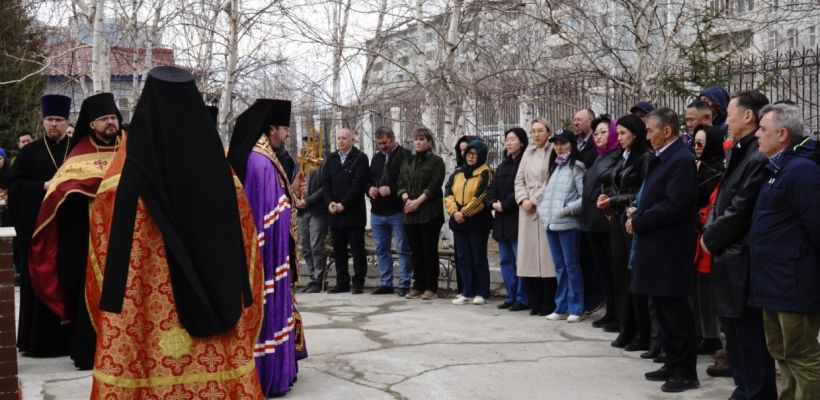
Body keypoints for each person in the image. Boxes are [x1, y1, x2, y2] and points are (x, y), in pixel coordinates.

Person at [85, 66, 264, 398]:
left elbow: (102, 234)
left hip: (144, 307)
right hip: (217, 299)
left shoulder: (122, 171)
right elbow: (245, 234)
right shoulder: (221, 169)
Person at [27, 92, 122, 370]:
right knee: (88, 289)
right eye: (104, 119)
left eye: (113, 118)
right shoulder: (79, 153)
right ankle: (88, 351)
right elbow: (62, 193)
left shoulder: (129, 148)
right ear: (91, 124)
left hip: (124, 236)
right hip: (88, 238)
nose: (110, 123)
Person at [701, 90, 777, 400]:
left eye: (730, 113)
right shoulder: (738, 151)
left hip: (742, 258)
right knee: (734, 335)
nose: (726, 120)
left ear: (748, 116)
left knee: (749, 336)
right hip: (728, 257)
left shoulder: (757, 157)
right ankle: (744, 389)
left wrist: (710, 237)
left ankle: (756, 392)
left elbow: (740, 208)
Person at [228, 98, 305, 397]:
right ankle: (269, 373)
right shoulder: (261, 161)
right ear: (271, 128)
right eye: (285, 129)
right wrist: (289, 204)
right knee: (268, 306)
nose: (286, 135)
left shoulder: (261, 155)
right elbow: (267, 215)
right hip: (268, 253)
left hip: (269, 250)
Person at [751, 104, 820, 400]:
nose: (757, 134)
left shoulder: (801, 171)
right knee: (781, 352)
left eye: (762, 130)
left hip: (794, 282)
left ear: (781, 134)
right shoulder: (778, 168)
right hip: (774, 280)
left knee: (801, 355)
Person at [628, 108, 699, 393]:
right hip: (655, 247)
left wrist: (640, 219)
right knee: (660, 307)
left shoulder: (680, 160)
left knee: (675, 311)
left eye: (650, 131)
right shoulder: (663, 157)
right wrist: (638, 211)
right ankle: (671, 362)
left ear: (666, 131)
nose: (647, 136)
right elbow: (653, 196)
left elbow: (674, 205)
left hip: (670, 249)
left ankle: (686, 371)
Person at [9, 94, 73, 357]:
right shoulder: (29, 152)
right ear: (42, 120)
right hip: (38, 232)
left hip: (69, 231)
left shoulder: (77, 150)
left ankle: (69, 341)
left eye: (59, 119)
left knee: (68, 282)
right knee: (37, 283)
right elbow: (14, 187)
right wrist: (42, 187)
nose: (54, 124)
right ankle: (37, 343)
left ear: (67, 120)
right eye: (50, 119)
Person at [596, 114, 651, 350]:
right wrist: (607, 198)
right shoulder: (623, 157)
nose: (618, 138)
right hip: (617, 220)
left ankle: (642, 332)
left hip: (631, 220)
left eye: (623, 134)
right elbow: (614, 183)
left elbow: (642, 191)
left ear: (635, 134)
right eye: (617, 134)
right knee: (619, 275)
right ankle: (626, 328)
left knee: (634, 277)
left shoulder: (644, 157)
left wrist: (614, 200)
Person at [539, 129, 586, 322]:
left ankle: (576, 308)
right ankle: (561, 306)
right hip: (552, 225)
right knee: (560, 267)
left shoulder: (577, 167)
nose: (559, 147)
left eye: (563, 143)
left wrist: (566, 210)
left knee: (572, 266)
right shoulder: (555, 167)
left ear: (572, 144)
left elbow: (585, 198)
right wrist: (544, 212)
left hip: (569, 224)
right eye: (556, 144)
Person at [514, 118, 556, 316]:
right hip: (526, 210)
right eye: (533, 131)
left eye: (540, 130)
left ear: (548, 131)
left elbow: (551, 180)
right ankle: (534, 301)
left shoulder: (553, 150)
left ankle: (549, 302)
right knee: (529, 257)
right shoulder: (527, 153)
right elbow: (519, 179)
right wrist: (523, 200)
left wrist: (535, 199)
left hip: (544, 206)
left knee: (546, 259)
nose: (536, 134)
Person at [397, 128, 445, 300]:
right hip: (410, 212)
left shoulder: (436, 162)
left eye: (422, 139)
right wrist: (406, 199)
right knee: (415, 251)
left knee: (428, 251)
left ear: (429, 142)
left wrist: (417, 202)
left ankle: (431, 287)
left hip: (429, 213)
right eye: (416, 139)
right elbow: (401, 182)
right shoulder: (408, 161)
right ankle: (418, 285)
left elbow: (434, 186)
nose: (417, 142)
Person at [584, 115, 621, 332]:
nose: (598, 136)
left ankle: (618, 314)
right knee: (604, 271)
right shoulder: (600, 157)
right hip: (593, 221)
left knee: (614, 270)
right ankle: (610, 311)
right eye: (596, 133)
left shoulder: (617, 156)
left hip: (606, 221)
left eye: (604, 132)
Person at [691, 125, 725, 357]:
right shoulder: (695, 166)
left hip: (706, 233)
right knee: (697, 291)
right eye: (695, 143)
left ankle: (712, 336)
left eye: (701, 143)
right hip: (693, 233)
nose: (697, 147)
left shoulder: (717, 170)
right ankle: (704, 333)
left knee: (709, 291)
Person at [446, 139, 493, 305]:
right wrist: (454, 212)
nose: (471, 157)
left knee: (478, 257)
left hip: (478, 222)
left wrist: (464, 213)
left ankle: (482, 291)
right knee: (463, 257)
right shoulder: (458, 173)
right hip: (459, 221)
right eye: (468, 154)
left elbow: (481, 197)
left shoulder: (486, 172)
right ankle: (467, 291)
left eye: (475, 154)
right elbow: (448, 193)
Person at [486, 127, 529, 311]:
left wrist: (505, 204)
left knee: (520, 260)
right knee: (505, 260)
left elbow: (521, 188)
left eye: (513, 139)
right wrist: (493, 203)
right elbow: (491, 188)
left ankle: (522, 296)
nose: (509, 142)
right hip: (501, 220)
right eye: (507, 139)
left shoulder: (525, 164)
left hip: (517, 217)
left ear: (522, 142)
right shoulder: (503, 165)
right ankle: (511, 295)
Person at [323, 128, 369, 294]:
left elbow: (357, 185)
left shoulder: (360, 158)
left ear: (352, 140)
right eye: (338, 138)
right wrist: (329, 203)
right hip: (335, 212)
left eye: (344, 138)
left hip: (353, 212)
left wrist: (343, 204)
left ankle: (358, 283)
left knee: (357, 250)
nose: (340, 141)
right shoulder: (331, 158)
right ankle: (342, 282)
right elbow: (325, 183)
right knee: (339, 250)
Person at [368, 126, 412, 296]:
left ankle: (404, 283)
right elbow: (369, 178)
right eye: (379, 143)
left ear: (393, 139)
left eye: (385, 143)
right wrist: (370, 189)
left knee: (402, 248)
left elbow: (408, 181)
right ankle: (386, 283)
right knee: (381, 249)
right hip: (377, 211)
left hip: (397, 210)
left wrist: (392, 189)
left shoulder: (405, 156)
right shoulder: (376, 158)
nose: (382, 146)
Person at [296, 147, 328, 294]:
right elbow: (293, 183)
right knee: (306, 247)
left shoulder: (323, 164)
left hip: (317, 211)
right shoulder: (300, 164)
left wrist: (308, 201)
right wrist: (296, 198)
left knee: (316, 246)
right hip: (302, 212)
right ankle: (311, 278)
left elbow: (324, 189)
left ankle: (319, 279)